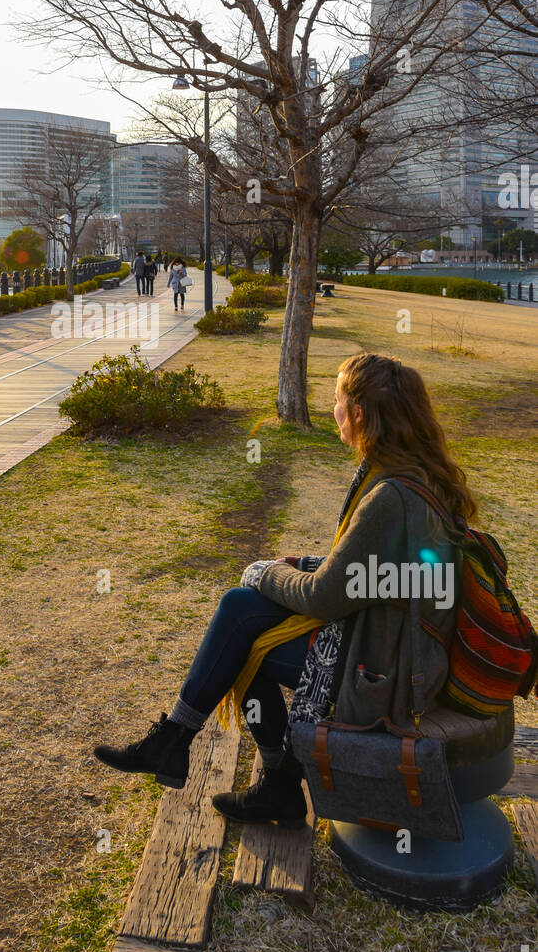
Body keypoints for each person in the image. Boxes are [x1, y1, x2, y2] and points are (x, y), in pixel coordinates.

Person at [93, 353, 470, 825]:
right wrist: (305, 565)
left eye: (336, 401)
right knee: (241, 611)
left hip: (386, 673)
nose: (331, 410)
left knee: (242, 628)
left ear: (358, 413)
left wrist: (264, 571)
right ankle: (211, 757)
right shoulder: (416, 474)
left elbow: (325, 597)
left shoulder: (389, 496)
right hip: (398, 644)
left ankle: (222, 761)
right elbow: (372, 571)